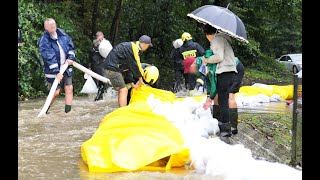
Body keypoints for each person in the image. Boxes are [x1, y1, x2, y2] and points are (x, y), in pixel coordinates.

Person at [201, 24, 238, 143]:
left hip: (225, 71)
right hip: (230, 70)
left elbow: (219, 57)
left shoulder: (217, 40)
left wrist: (207, 60)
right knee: (223, 98)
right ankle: (226, 126)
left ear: (207, 34)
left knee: (223, 99)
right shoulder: (223, 39)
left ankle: (226, 129)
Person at [38, 18, 75, 113]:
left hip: (66, 67)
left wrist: (71, 58)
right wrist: (57, 72)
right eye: (50, 25)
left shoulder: (62, 34)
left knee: (69, 87)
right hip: (52, 70)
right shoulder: (44, 40)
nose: (53, 26)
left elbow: (71, 47)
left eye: (54, 24)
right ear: (46, 28)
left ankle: (68, 112)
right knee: (55, 92)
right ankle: (45, 111)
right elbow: (49, 56)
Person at [104, 35, 152, 107]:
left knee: (122, 89)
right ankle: (123, 111)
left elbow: (129, 68)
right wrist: (141, 80)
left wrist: (132, 84)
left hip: (111, 68)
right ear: (146, 45)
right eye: (148, 46)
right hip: (112, 69)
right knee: (124, 90)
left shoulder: (132, 47)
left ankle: (121, 108)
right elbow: (136, 66)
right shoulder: (133, 49)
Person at [213, 58, 245, 135]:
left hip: (235, 69)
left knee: (230, 95)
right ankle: (218, 121)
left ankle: (232, 126)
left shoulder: (208, 66)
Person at [89, 31, 108, 101]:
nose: (101, 38)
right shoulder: (94, 45)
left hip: (102, 65)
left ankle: (99, 98)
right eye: (99, 36)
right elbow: (91, 55)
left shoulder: (105, 44)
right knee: (97, 83)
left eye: (101, 36)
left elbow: (108, 53)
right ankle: (98, 97)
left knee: (102, 82)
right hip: (95, 66)